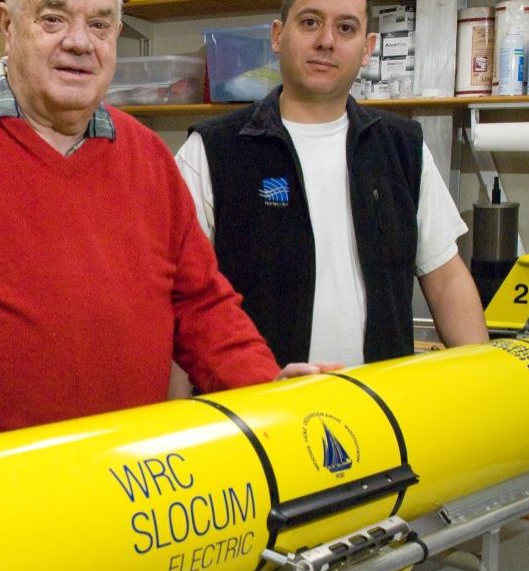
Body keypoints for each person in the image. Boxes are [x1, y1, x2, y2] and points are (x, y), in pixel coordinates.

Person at [0, 0, 320, 460]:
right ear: (8, 24)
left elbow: (202, 308)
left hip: (121, 490)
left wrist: (267, 390)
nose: (80, 42)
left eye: (101, 24)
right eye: (53, 18)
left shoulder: (148, 158)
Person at [175, 0, 488, 369]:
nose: (327, 41)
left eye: (346, 28)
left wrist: (485, 382)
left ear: (367, 48)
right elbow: (182, 304)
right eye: (310, 22)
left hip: (380, 408)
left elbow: (446, 279)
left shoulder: (402, 147)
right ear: (278, 36)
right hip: (261, 412)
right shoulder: (212, 151)